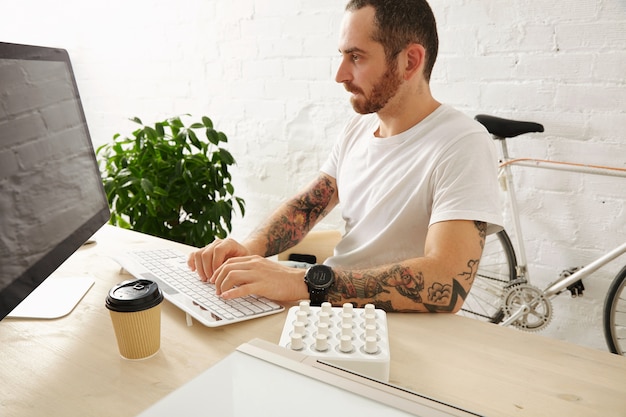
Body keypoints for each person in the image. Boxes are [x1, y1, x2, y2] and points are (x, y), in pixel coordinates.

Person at [188, 0, 503, 313]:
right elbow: (306, 207)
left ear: (410, 61)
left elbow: (446, 283)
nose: (340, 75)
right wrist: (247, 250)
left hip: (392, 332)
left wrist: (305, 283)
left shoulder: (462, 143)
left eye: (356, 57)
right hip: (327, 312)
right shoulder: (359, 128)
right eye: (343, 56)